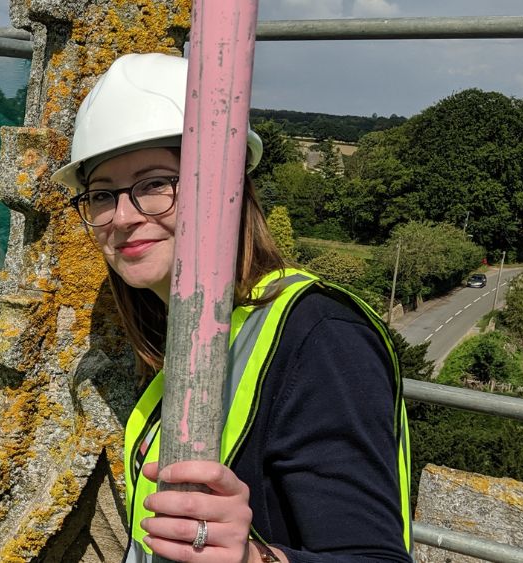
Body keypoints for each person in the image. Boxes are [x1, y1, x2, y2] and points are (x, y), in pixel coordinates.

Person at [51, 53, 412, 563]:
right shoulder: (192, 336)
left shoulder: (322, 337)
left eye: (155, 183)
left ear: (228, 188)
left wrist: (251, 560)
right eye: (102, 194)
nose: (123, 217)